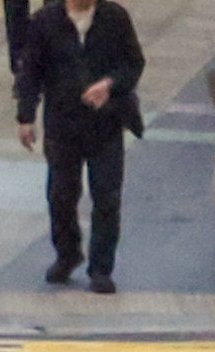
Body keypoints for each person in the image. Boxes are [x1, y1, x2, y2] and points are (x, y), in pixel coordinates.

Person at [16, 0, 144, 290]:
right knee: (61, 195)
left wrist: (109, 85)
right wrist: (26, 116)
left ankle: (101, 268)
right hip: (63, 125)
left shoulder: (115, 18)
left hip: (106, 124)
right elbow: (31, 73)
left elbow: (133, 63)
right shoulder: (46, 22)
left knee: (107, 197)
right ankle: (67, 253)